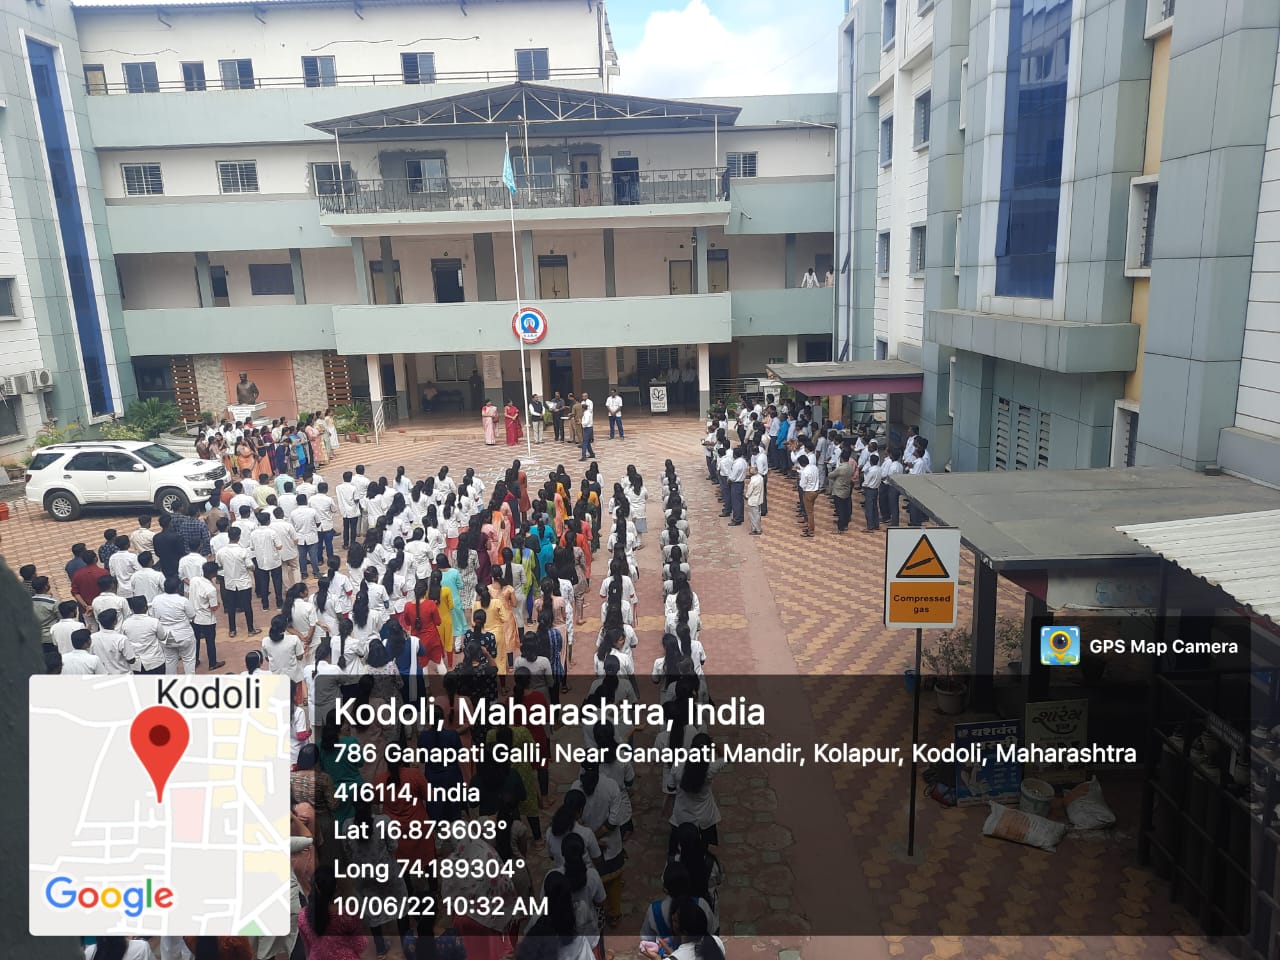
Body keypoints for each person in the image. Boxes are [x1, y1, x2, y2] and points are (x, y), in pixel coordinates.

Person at [151, 577, 198, 675]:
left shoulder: (156, 600)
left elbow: (154, 617)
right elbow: (192, 615)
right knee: (189, 660)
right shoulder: (183, 601)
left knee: (170, 660)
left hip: (166, 635)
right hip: (184, 635)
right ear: (177, 588)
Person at [190, 561, 225, 669]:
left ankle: (195, 660)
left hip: (193, 617)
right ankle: (212, 663)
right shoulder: (211, 589)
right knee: (210, 642)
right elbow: (214, 607)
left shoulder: (194, 580)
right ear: (213, 574)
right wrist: (218, 603)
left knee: (195, 641)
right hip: (206, 619)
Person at [830, 450, 855, 533]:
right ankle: (845, 524)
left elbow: (830, 475)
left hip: (839, 491)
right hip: (846, 490)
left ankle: (840, 528)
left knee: (840, 509)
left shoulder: (841, 468)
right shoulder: (850, 467)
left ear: (841, 458)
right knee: (845, 508)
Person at [797, 454, 821, 538]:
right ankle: (809, 526)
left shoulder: (805, 471)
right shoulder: (814, 467)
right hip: (816, 490)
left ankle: (810, 530)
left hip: (808, 492)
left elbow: (802, 484)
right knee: (810, 510)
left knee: (809, 512)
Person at [745, 465, 764, 535]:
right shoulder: (760, 477)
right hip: (759, 499)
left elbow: (749, 491)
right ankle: (757, 528)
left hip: (753, 500)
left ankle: (756, 529)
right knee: (758, 514)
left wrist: (746, 496)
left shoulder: (753, 481)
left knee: (753, 516)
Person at [579, 391, 596, 461]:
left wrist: (581, 422)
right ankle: (592, 453)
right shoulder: (585, 413)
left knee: (585, 442)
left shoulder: (587, 413)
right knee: (588, 442)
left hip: (587, 428)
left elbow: (586, 422)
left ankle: (583, 456)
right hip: (588, 428)